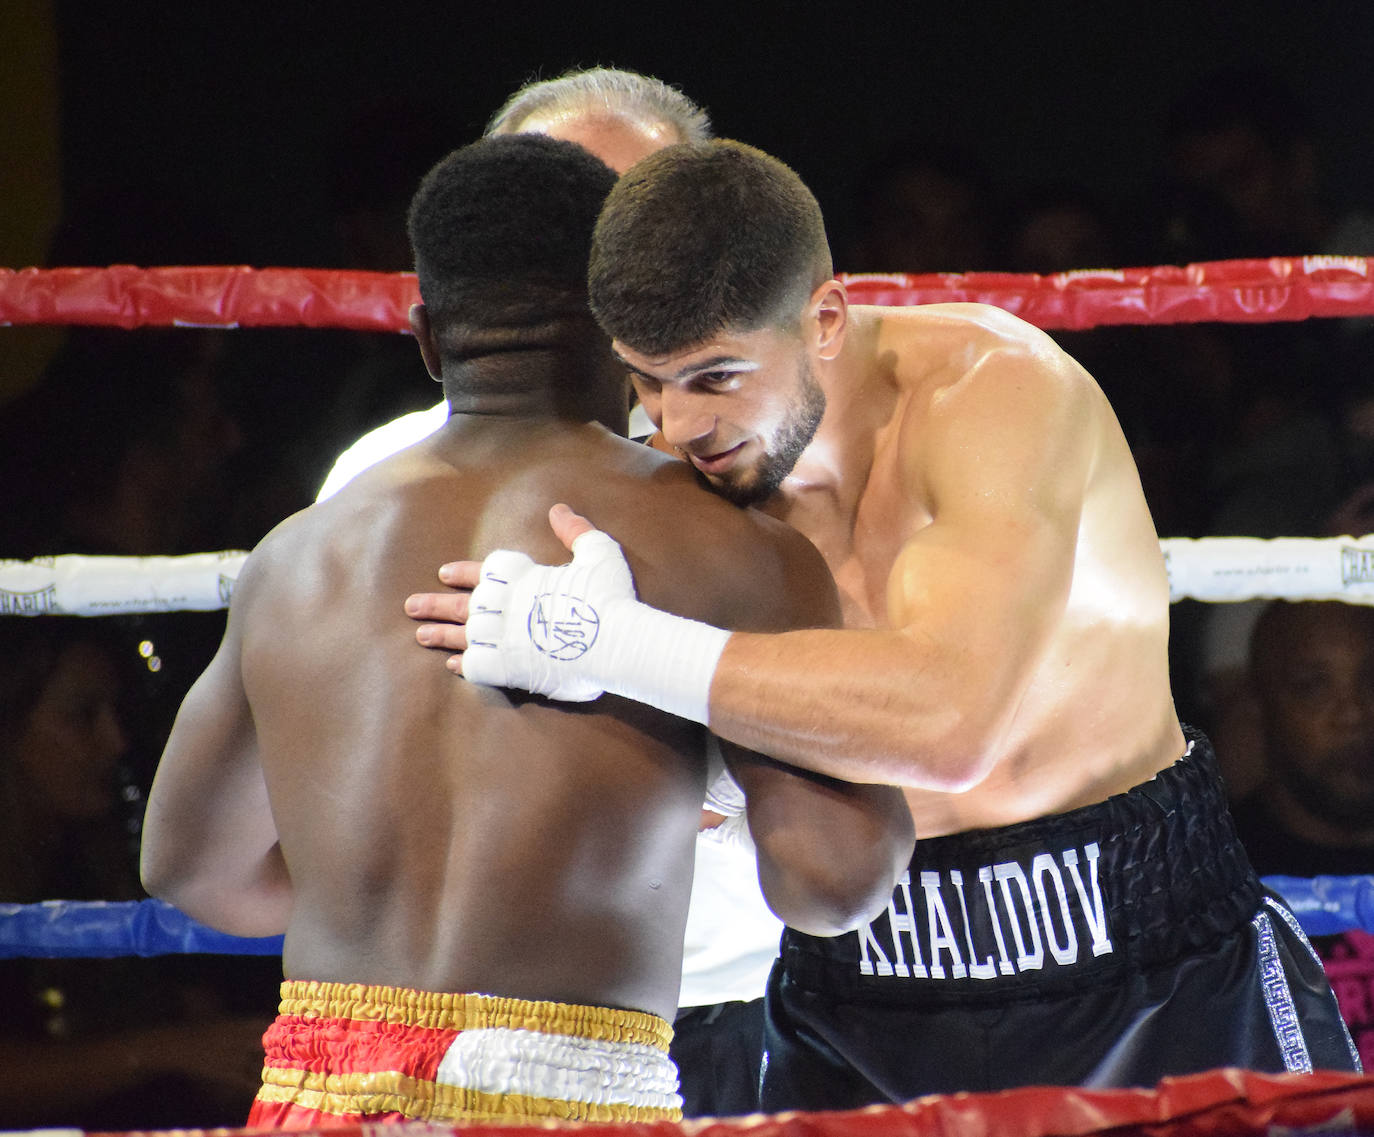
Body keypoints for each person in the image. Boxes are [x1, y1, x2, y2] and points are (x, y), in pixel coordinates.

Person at [404, 138, 1362, 1108]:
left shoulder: (997, 395)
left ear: (825, 318)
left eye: (717, 377)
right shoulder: (680, 482)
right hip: (862, 989)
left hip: (1154, 974)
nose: (677, 422)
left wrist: (617, 647)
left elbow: (952, 728)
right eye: (648, 381)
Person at [139, 134, 913, 1128]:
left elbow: (188, 868)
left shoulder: (298, 556)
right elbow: (831, 886)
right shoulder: (729, 544)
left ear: (425, 340)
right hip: (566, 1092)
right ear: (620, 324)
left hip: (317, 1093)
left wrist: (378, 895)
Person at [314, 67, 784, 1119]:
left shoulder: (786, 464)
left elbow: (889, 777)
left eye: (638, 226)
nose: (605, 266)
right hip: (477, 1013)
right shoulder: (377, 484)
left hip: (764, 1002)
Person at [1227, 600, 1374, 1071]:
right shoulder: (1218, 874)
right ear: (1259, 706)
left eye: (1373, 679)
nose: (1353, 713)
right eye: (1313, 687)